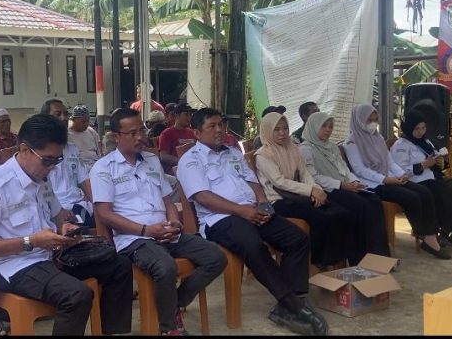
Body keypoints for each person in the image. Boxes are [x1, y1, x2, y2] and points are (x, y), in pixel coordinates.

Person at [0, 114, 133, 336]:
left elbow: (59, 217)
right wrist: (32, 241)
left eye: (57, 160)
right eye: (47, 160)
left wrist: (66, 230)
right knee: (77, 295)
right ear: (24, 150)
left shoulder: (42, 178)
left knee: (119, 265)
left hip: (49, 256)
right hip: (12, 267)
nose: (52, 167)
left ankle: (110, 331)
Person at [177, 108, 328, 336]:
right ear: (197, 133)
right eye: (212, 126)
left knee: (297, 239)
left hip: (253, 210)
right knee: (254, 246)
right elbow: (203, 197)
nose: (219, 130)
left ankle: (290, 301)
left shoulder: (233, 153)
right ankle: (293, 304)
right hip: (221, 219)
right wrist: (242, 211)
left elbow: (253, 181)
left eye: (221, 125)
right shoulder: (190, 160)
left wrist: (263, 202)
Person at [91, 108, 226, 336]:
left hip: (166, 231)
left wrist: (175, 223)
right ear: (117, 137)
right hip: (135, 239)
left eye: (141, 130)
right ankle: (169, 328)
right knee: (166, 267)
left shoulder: (151, 160)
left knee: (216, 257)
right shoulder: (103, 168)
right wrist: (147, 230)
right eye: (132, 133)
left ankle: (174, 303)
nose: (140, 137)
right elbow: (104, 214)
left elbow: (168, 200)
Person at [343, 104, 450, 260]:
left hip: (389, 177)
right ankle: (425, 234)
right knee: (411, 197)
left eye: (375, 119)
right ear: (358, 121)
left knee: (424, 192)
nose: (373, 123)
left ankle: (430, 237)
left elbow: (390, 162)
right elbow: (360, 170)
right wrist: (385, 179)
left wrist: (401, 174)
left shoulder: (378, 138)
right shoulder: (351, 143)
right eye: (368, 120)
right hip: (373, 184)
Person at [255, 112, 355, 268]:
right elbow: (280, 182)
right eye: (277, 129)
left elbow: (304, 173)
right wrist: (310, 191)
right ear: (267, 130)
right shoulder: (263, 155)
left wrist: (317, 190)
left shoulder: (292, 148)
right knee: (321, 217)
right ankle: (320, 262)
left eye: (285, 128)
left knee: (340, 212)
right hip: (279, 201)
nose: (282, 133)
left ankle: (339, 260)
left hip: (298, 195)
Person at [299, 112, 390, 261]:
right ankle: (360, 257)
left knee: (374, 201)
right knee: (360, 206)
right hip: (328, 190)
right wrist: (341, 185)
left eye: (330, 127)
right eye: (324, 126)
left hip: (345, 186)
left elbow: (344, 168)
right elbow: (313, 177)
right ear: (313, 126)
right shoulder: (305, 149)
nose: (328, 130)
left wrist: (354, 182)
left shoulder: (331, 146)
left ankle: (379, 254)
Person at [390, 111, 452, 244]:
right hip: (416, 182)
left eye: (423, 128)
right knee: (446, 193)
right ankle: (435, 233)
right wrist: (423, 165)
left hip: (434, 179)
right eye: (417, 129)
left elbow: (439, 163)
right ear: (408, 128)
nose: (421, 132)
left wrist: (441, 162)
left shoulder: (426, 141)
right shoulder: (401, 145)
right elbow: (399, 171)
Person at [41, 99, 96, 227]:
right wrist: (58, 211)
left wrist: (97, 204)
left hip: (78, 204)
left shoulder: (72, 149)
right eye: (58, 114)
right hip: (56, 209)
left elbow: (84, 180)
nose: (64, 118)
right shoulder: (39, 152)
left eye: (66, 114)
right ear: (45, 119)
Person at [158, 103, 197, 174]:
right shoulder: (166, 133)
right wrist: (183, 162)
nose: (189, 117)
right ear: (177, 115)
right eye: (186, 115)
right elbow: (163, 156)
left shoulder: (193, 133)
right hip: (175, 172)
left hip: (193, 169)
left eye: (190, 115)